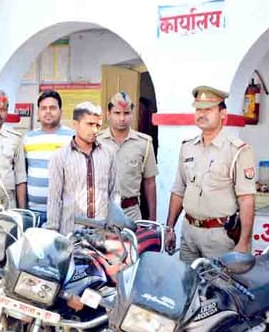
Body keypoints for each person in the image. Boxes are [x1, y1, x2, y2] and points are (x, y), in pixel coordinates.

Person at [165, 86, 256, 263]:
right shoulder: (187, 147)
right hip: (189, 232)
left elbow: (246, 200)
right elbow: (179, 190)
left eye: (208, 109)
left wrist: (244, 242)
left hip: (219, 237)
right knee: (186, 279)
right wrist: (170, 228)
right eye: (198, 109)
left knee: (219, 281)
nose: (202, 114)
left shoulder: (237, 150)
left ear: (223, 113)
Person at [47, 102, 119, 235]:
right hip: (70, 233)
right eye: (90, 124)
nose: (95, 130)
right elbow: (54, 198)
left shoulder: (109, 154)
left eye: (98, 125)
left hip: (101, 233)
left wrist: (114, 230)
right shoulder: (60, 156)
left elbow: (114, 193)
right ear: (75, 124)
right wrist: (52, 232)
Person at [97, 92, 158, 221]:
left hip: (131, 212)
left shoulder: (144, 143)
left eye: (126, 113)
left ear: (132, 114)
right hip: (101, 211)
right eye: (117, 113)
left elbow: (150, 182)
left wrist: (152, 218)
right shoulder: (96, 142)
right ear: (108, 114)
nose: (122, 118)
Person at [23, 90, 75, 225]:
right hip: (33, 213)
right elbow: (22, 173)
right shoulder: (28, 138)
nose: (48, 112)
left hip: (62, 212)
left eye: (52, 108)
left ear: (61, 111)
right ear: (38, 112)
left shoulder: (72, 138)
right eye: (44, 108)